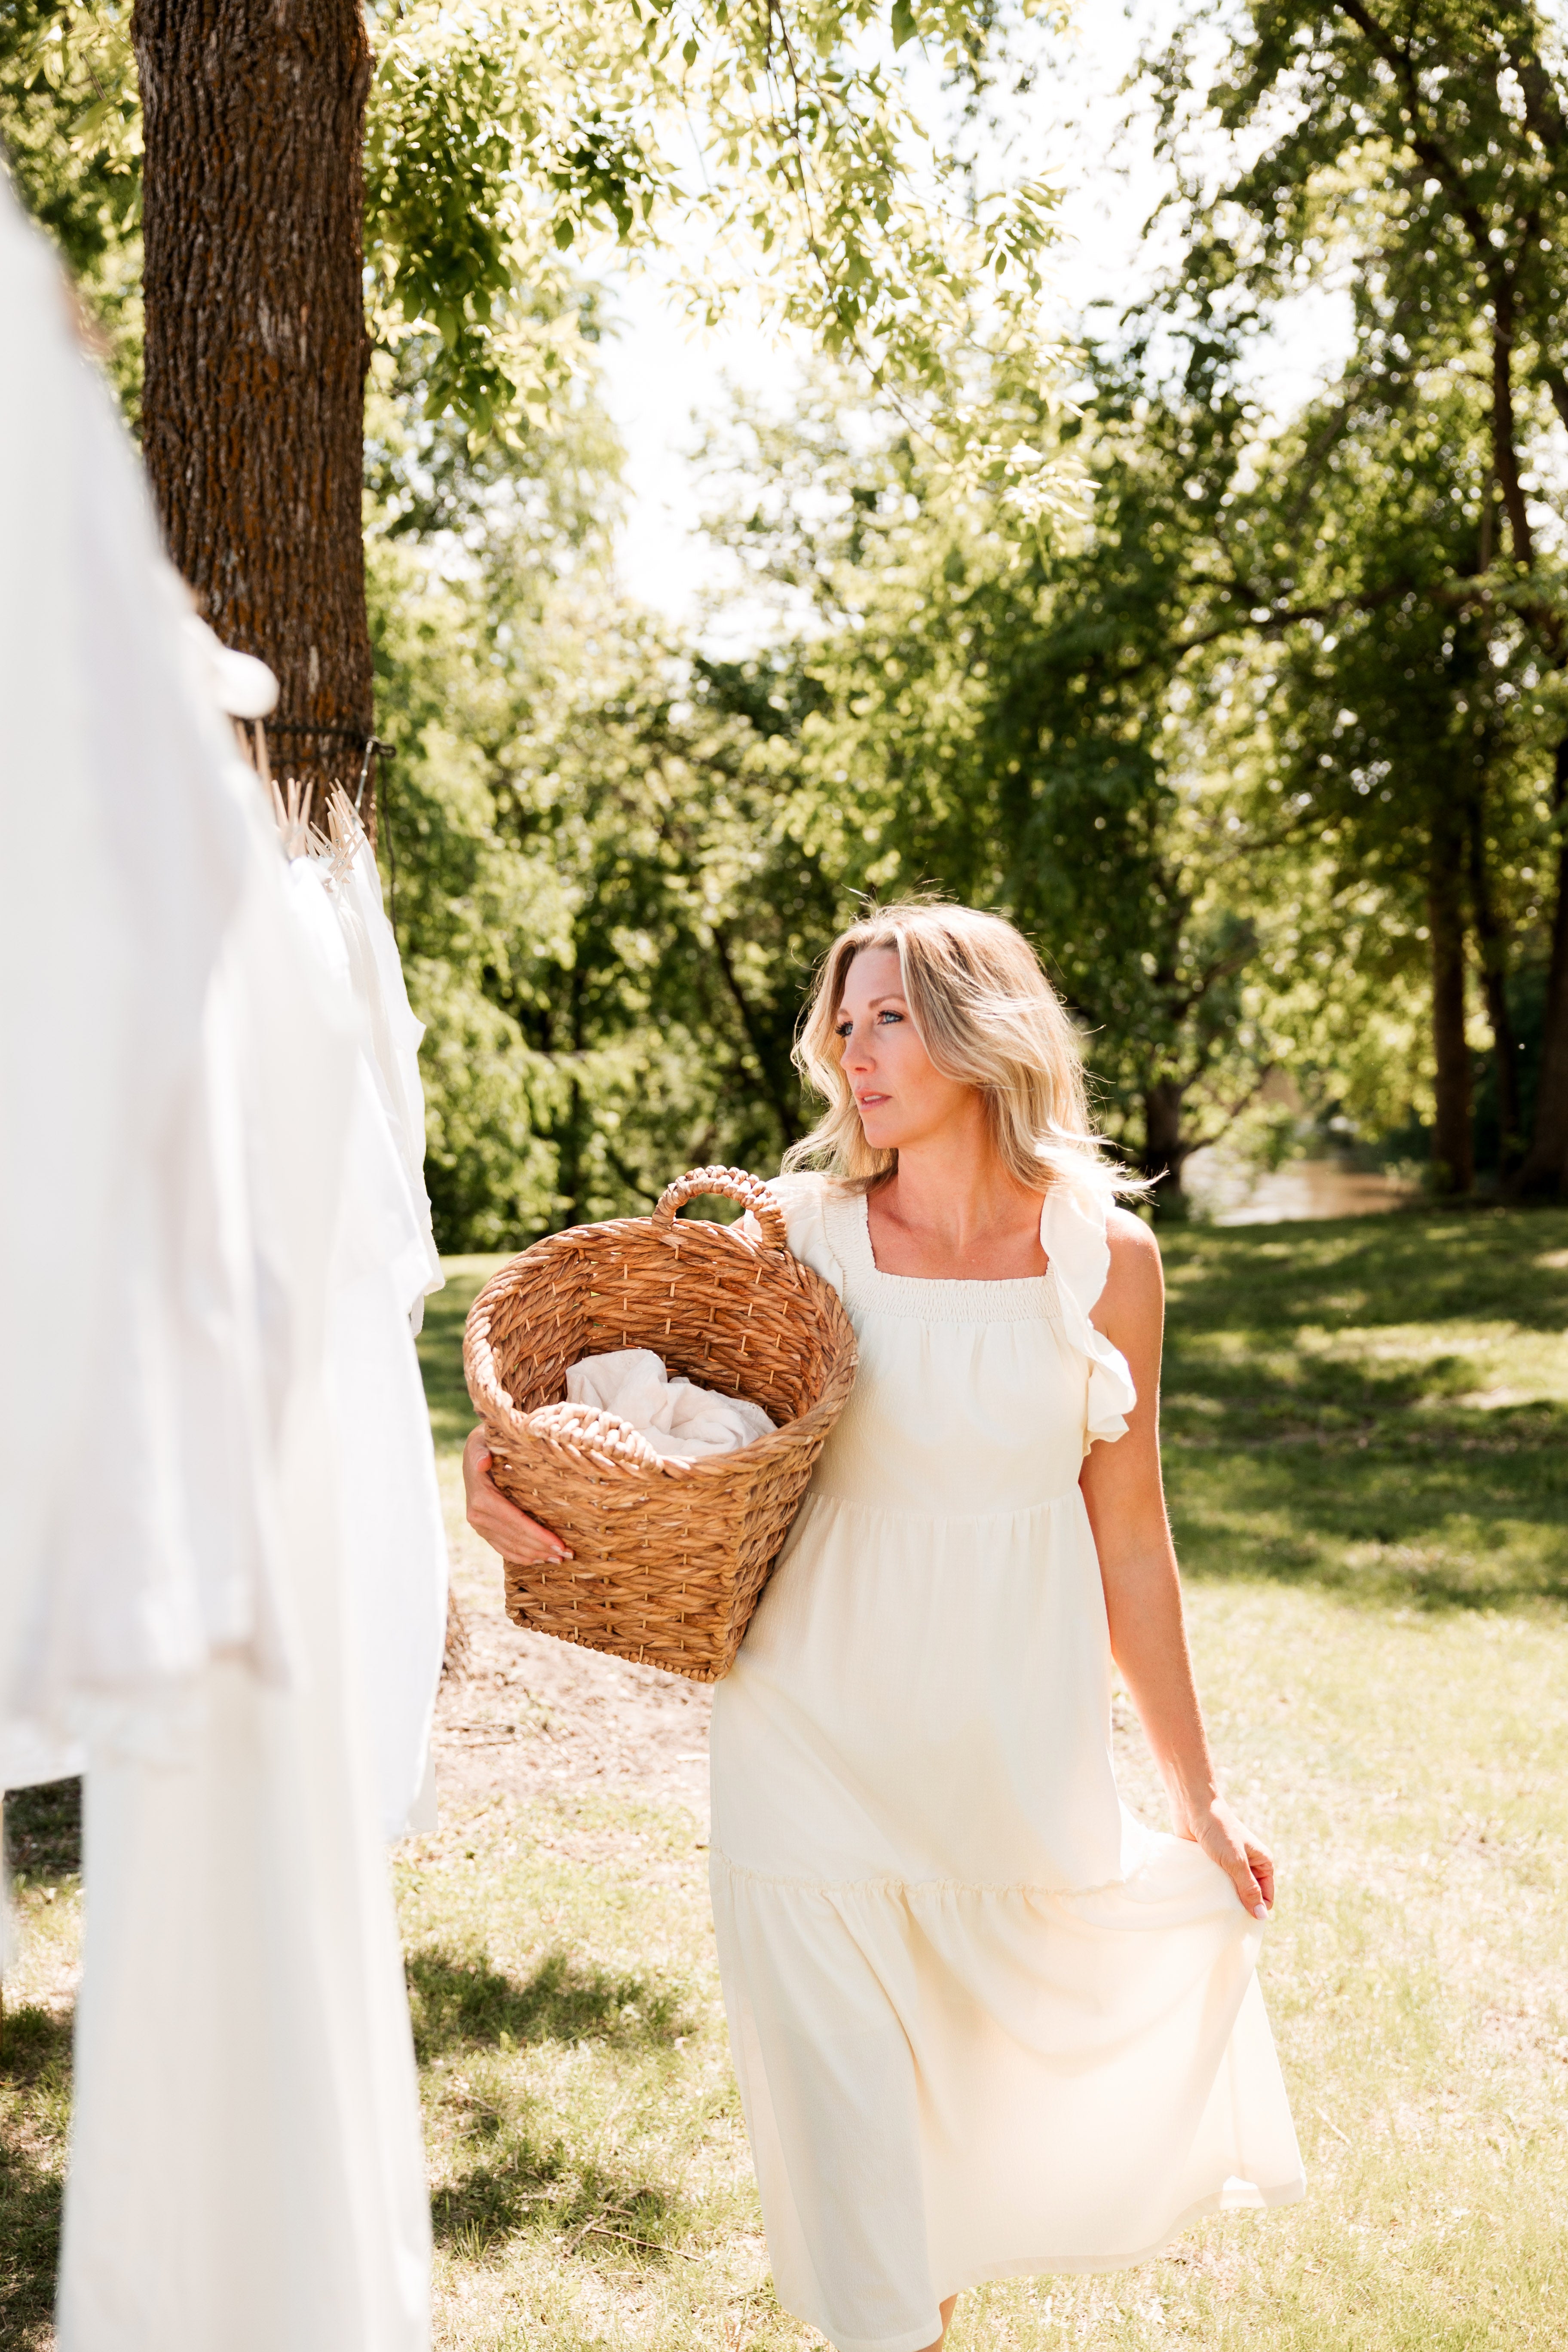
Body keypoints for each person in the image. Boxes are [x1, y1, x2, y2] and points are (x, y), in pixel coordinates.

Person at [464, 901, 1305, 2352]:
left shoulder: (1109, 1262)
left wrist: (1199, 1796)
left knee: (939, 2195)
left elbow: (1133, 1544)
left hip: (1007, 1785)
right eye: (842, 1024)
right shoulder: (804, 1239)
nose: (853, 1053)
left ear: (982, 1033)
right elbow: (639, 1399)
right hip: (810, 1767)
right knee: (866, 2219)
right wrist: (501, 1462)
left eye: (889, 1018)